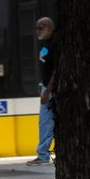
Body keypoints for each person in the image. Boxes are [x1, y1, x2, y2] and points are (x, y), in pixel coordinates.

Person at [28, 16, 57, 165]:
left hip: (51, 89)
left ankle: (43, 154)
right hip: (46, 87)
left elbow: (56, 69)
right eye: (37, 28)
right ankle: (43, 153)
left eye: (41, 27)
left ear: (49, 27)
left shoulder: (54, 44)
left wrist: (47, 90)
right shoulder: (45, 44)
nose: (38, 31)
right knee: (46, 121)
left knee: (45, 121)